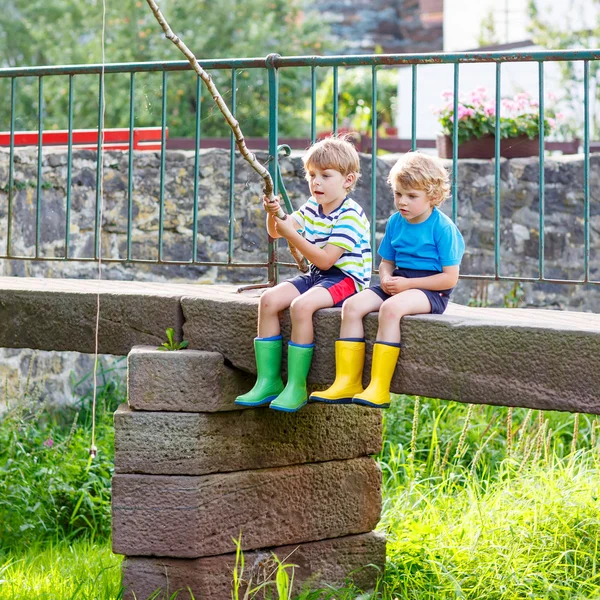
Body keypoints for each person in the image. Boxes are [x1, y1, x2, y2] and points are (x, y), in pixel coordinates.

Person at [310, 151, 464, 409]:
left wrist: (407, 285)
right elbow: (386, 262)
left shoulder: (443, 228)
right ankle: (347, 381)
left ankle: (379, 387)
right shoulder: (396, 222)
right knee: (352, 306)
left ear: (433, 197)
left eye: (412, 196)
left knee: (390, 309)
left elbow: (449, 279)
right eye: (398, 194)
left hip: (429, 290)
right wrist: (386, 277)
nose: (402, 202)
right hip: (398, 280)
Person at [235, 136, 372, 413]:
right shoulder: (313, 206)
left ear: (348, 180)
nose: (316, 182)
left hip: (345, 279)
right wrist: (273, 214)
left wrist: (290, 234)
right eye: (311, 175)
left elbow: (325, 260)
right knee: (269, 300)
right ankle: (269, 381)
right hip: (317, 275)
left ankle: (296, 385)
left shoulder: (351, 215)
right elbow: (277, 231)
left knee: (301, 306)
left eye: (325, 175)